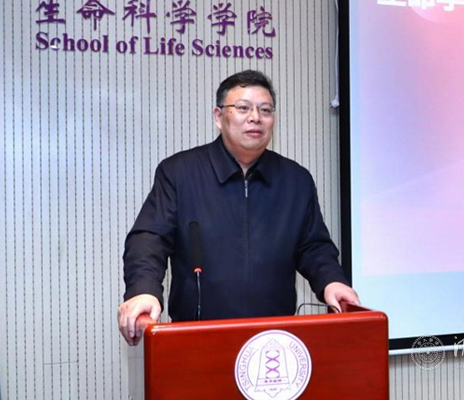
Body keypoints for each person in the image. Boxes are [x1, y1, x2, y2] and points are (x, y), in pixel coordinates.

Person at [118, 70, 359, 345]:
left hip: (273, 342)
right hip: (197, 339)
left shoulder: (296, 180)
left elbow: (313, 247)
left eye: (265, 110)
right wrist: (144, 290)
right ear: (218, 117)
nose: (255, 117)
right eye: (243, 108)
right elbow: (149, 239)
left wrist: (332, 281)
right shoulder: (179, 173)